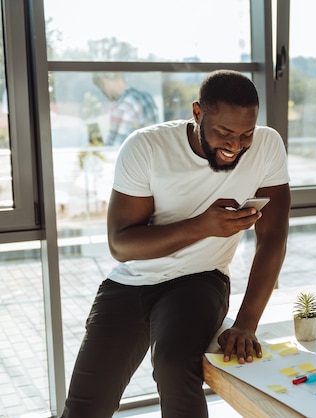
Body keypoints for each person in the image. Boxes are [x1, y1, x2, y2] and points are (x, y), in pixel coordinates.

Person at [62, 70, 291, 417]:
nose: (234, 146)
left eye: (245, 134)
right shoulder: (146, 147)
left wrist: (246, 323)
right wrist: (202, 226)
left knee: (173, 364)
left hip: (200, 279)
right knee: (84, 406)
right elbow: (121, 244)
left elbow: (273, 237)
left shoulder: (267, 145)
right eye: (224, 133)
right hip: (130, 282)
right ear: (197, 113)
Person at [93, 72, 159, 146]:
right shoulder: (147, 97)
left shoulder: (123, 107)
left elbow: (115, 149)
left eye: (101, 87)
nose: (104, 93)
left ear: (105, 81)